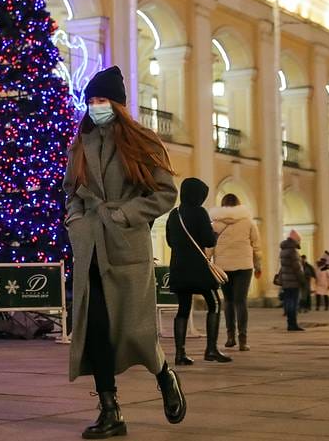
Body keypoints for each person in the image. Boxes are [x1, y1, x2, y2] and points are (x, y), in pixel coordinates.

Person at [63, 66, 186, 437]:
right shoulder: (80, 144)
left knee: (136, 330)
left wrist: (124, 215)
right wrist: (76, 222)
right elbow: (71, 192)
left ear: (117, 103)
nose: (95, 106)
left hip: (126, 245)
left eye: (102, 99)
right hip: (90, 248)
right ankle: (110, 410)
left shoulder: (142, 141)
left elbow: (165, 193)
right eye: (91, 100)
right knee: (96, 330)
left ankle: (164, 375)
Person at [166, 178, 232, 365]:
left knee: (183, 309)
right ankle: (211, 350)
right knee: (215, 304)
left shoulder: (174, 214)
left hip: (178, 267)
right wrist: (214, 234)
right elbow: (208, 241)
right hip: (198, 268)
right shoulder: (200, 212)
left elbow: (170, 241)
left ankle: (180, 354)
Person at [209, 193, 261, 351]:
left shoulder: (215, 224)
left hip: (223, 267)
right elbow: (256, 246)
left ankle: (230, 337)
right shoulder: (248, 222)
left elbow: (209, 246)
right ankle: (243, 340)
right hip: (244, 266)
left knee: (228, 301)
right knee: (241, 301)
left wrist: (207, 261)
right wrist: (258, 265)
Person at [278, 230, 304, 331]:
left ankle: (290, 323)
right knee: (293, 303)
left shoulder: (283, 250)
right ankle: (293, 324)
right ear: (295, 240)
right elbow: (297, 268)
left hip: (286, 281)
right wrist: (302, 280)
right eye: (299, 240)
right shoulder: (293, 251)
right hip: (294, 281)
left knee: (288, 302)